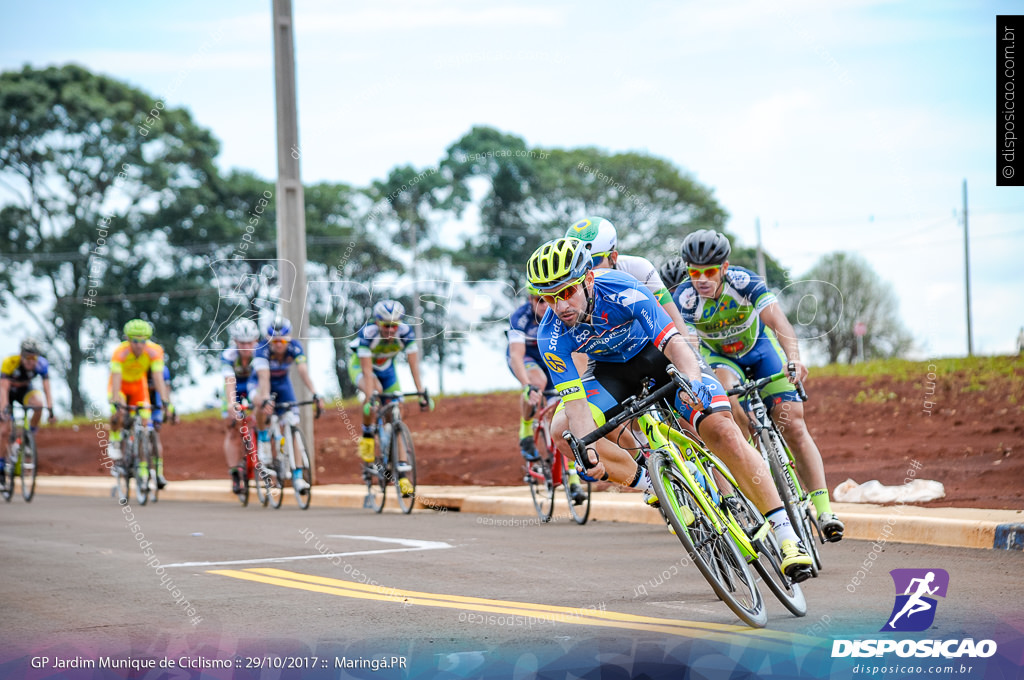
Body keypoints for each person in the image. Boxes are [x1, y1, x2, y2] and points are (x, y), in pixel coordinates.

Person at [527, 236, 813, 581]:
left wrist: (691, 382)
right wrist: (586, 448)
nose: (560, 306)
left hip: (659, 355)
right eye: (549, 297)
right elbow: (575, 404)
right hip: (610, 373)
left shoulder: (622, 289)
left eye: (567, 292)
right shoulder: (551, 336)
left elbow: (676, 345)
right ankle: (655, 484)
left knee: (722, 430)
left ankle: (786, 535)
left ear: (588, 279)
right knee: (565, 433)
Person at [674, 229, 844, 542]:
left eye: (709, 272)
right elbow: (689, 346)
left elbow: (779, 322)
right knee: (729, 398)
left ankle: (824, 510)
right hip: (723, 360)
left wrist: (793, 359)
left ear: (724, 268)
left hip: (760, 351)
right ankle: (753, 466)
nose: (701, 279)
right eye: (694, 272)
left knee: (793, 424)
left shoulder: (744, 282)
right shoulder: (684, 299)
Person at [507, 291, 586, 504]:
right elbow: (515, 354)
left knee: (562, 418)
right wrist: (526, 385)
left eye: (546, 299)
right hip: (528, 360)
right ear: (529, 301)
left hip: (552, 359)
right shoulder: (520, 318)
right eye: (537, 300)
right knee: (537, 383)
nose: (543, 305)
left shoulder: (563, 315)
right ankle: (525, 429)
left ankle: (572, 478)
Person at [348, 300, 430, 498]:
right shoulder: (368, 335)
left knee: (397, 414)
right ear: (377, 322)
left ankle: (402, 475)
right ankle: (367, 436)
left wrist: (421, 392)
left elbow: (414, 366)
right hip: (362, 369)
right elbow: (367, 372)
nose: (391, 329)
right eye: (386, 325)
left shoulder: (405, 333)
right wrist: (369, 399)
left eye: (395, 325)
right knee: (375, 393)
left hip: (387, 371)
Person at [565, 217, 690, 336]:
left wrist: (693, 355)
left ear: (613, 257)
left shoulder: (638, 268)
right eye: (578, 264)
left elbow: (674, 318)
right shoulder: (567, 286)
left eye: (594, 261)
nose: (587, 271)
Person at [248, 317, 324, 496]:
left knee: (292, 424)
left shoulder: (295, 347)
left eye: (282, 341)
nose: (279, 344)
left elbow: (303, 371)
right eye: (274, 341)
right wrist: (265, 399)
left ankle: (298, 476)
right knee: (260, 404)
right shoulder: (261, 350)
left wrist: (315, 393)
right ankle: (264, 437)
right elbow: (264, 378)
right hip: (260, 383)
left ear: (288, 339)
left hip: (283, 385)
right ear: (268, 339)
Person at [107, 319, 173, 489]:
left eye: (143, 340)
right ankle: (115, 441)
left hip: (138, 386)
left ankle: (143, 471)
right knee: (119, 411)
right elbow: (116, 377)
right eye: (135, 341)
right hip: (120, 386)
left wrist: (165, 401)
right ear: (128, 340)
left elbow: (158, 377)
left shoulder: (154, 351)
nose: (139, 345)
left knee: (145, 421)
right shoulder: (119, 352)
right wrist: (115, 401)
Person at [0, 338, 57, 484]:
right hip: (8, 394)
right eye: (28, 357)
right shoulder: (10, 363)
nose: (31, 361)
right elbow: (4, 388)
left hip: (25, 391)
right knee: (4, 430)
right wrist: (4, 408)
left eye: (34, 357)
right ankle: (1, 465)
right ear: (21, 355)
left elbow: (46, 389)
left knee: (38, 405)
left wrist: (50, 409)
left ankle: (28, 437)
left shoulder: (41, 365)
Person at [221, 318, 260, 494]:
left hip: (254, 387)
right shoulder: (229, 356)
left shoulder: (261, 353)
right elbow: (229, 381)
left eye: (249, 343)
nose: (246, 347)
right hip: (235, 389)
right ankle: (235, 472)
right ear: (235, 342)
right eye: (242, 343)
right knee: (233, 427)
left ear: (256, 341)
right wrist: (231, 404)